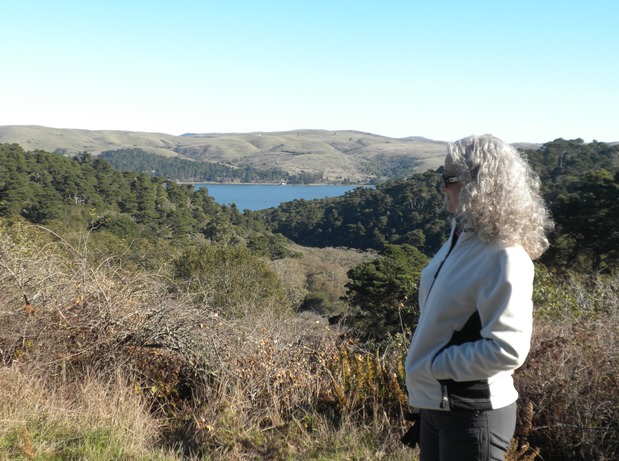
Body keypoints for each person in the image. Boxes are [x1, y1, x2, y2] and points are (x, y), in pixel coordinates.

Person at [404, 134, 553, 461]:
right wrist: (428, 381)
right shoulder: (461, 237)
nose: (441, 187)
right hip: (438, 405)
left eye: (447, 179)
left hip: (472, 413)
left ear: (479, 184)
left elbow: (507, 349)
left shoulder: (504, 256)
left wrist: (433, 367)